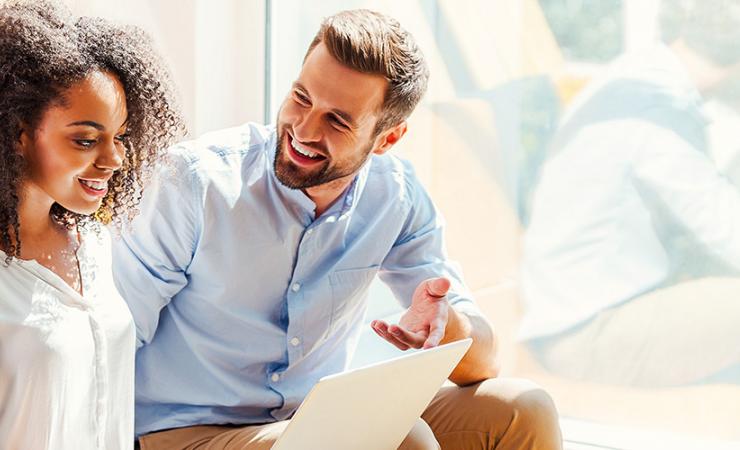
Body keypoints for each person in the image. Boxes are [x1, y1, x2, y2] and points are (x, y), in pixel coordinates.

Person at [113, 9, 562, 450]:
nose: (304, 129)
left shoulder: (396, 197)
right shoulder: (193, 183)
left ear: (387, 139)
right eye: (301, 98)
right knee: (395, 439)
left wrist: (447, 325)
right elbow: (113, 334)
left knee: (522, 410)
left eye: (337, 120)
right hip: (186, 433)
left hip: (312, 420)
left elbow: (484, 364)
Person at [520, 0, 740, 387]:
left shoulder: (636, 77)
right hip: (591, 333)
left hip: (579, 315)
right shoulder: (654, 109)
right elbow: (727, 230)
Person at [0, 1, 185, 448]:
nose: (114, 159)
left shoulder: (97, 245)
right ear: (18, 132)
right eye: (86, 140)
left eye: (120, 137)